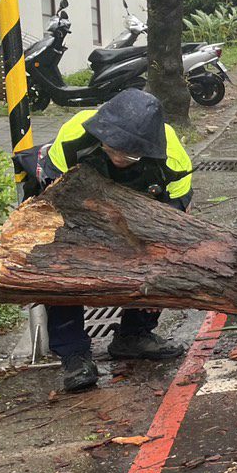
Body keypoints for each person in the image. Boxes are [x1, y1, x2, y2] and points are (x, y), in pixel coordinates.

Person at [31, 90, 193, 392]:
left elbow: (175, 224)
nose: (119, 158)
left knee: (159, 257)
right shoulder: (72, 137)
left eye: (130, 155)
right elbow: (52, 205)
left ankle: (135, 334)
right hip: (76, 212)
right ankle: (74, 354)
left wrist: (156, 278)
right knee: (62, 261)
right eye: (111, 148)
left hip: (141, 217)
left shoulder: (173, 159)